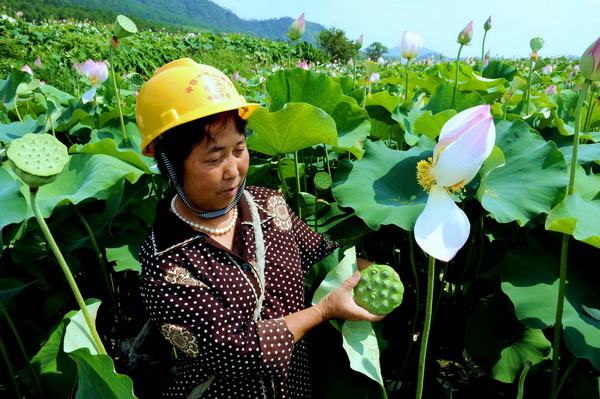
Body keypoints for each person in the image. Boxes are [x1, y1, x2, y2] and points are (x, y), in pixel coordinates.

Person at [136, 58, 385, 398]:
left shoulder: (268, 205)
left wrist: (371, 276)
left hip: (298, 388)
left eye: (239, 150)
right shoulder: (164, 261)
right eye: (213, 159)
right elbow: (235, 351)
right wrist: (324, 311)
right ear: (169, 164)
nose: (233, 170)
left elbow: (325, 256)